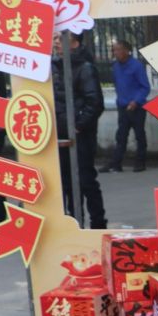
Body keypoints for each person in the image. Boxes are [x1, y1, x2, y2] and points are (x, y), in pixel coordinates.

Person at [52, 31, 107, 229]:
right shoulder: (54, 66)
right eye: (54, 39)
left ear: (74, 42)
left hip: (80, 136)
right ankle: (75, 224)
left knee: (85, 180)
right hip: (60, 135)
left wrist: (78, 125)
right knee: (66, 182)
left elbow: (95, 103)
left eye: (60, 38)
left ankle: (98, 224)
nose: (56, 43)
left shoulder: (85, 68)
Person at [106, 39, 151, 173]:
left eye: (118, 50)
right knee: (121, 136)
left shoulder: (136, 66)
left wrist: (135, 101)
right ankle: (116, 163)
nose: (116, 53)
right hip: (123, 106)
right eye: (114, 50)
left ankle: (140, 162)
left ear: (127, 51)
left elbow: (145, 87)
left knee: (139, 135)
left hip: (137, 107)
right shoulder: (116, 66)